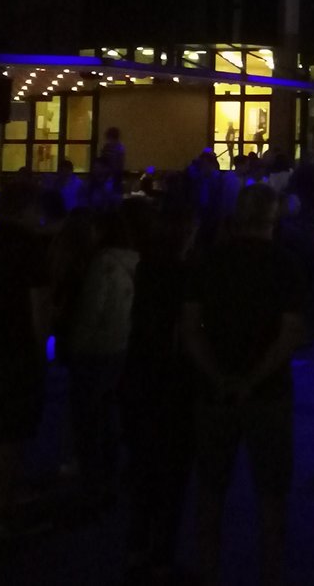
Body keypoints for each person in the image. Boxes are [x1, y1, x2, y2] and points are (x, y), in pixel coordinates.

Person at [183, 184, 306, 586]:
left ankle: (208, 571)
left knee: (210, 489)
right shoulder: (285, 264)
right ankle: (270, 574)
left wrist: (218, 376)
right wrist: (254, 379)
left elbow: (191, 329)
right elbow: (290, 333)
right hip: (269, 393)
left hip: (214, 390)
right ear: (274, 217)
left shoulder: (208, 261)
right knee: (271, 494)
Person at [121, 207, 199, 583]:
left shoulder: (145, 269)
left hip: (139, 376)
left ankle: (136, 548)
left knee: (142, 469)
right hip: (173, 382)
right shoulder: (185, 277)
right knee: (172, 473)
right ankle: (161, 557)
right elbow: (188, 331)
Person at [68, 205, 140, 506]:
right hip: (121, 344)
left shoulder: (103, 263)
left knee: (88, 417)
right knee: (109, 412)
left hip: (95, 347)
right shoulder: (135, 259)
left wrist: (76, 344)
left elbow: (92, 310)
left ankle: (92, 481)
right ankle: (109, 473)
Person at [0, 181, 51, 540]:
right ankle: (3, 505)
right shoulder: (29, 246)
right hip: (15, 349)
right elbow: (38, 307)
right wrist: (42, 352)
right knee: (10, 431)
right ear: (28, 208)